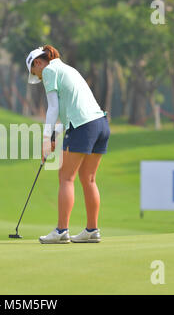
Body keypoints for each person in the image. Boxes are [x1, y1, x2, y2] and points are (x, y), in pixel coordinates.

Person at [25, 45, 111, 244]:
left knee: (65, 177)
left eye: (34, 73)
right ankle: (92, 230)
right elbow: (69, 109)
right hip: (100, 124)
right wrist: (55, 134)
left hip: (84, 127)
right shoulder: (68, 69)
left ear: (38, 63)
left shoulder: (49, 71)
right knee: (88, 179)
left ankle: (62, 231)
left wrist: (46, 139)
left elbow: (53, 107)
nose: (38, 77)